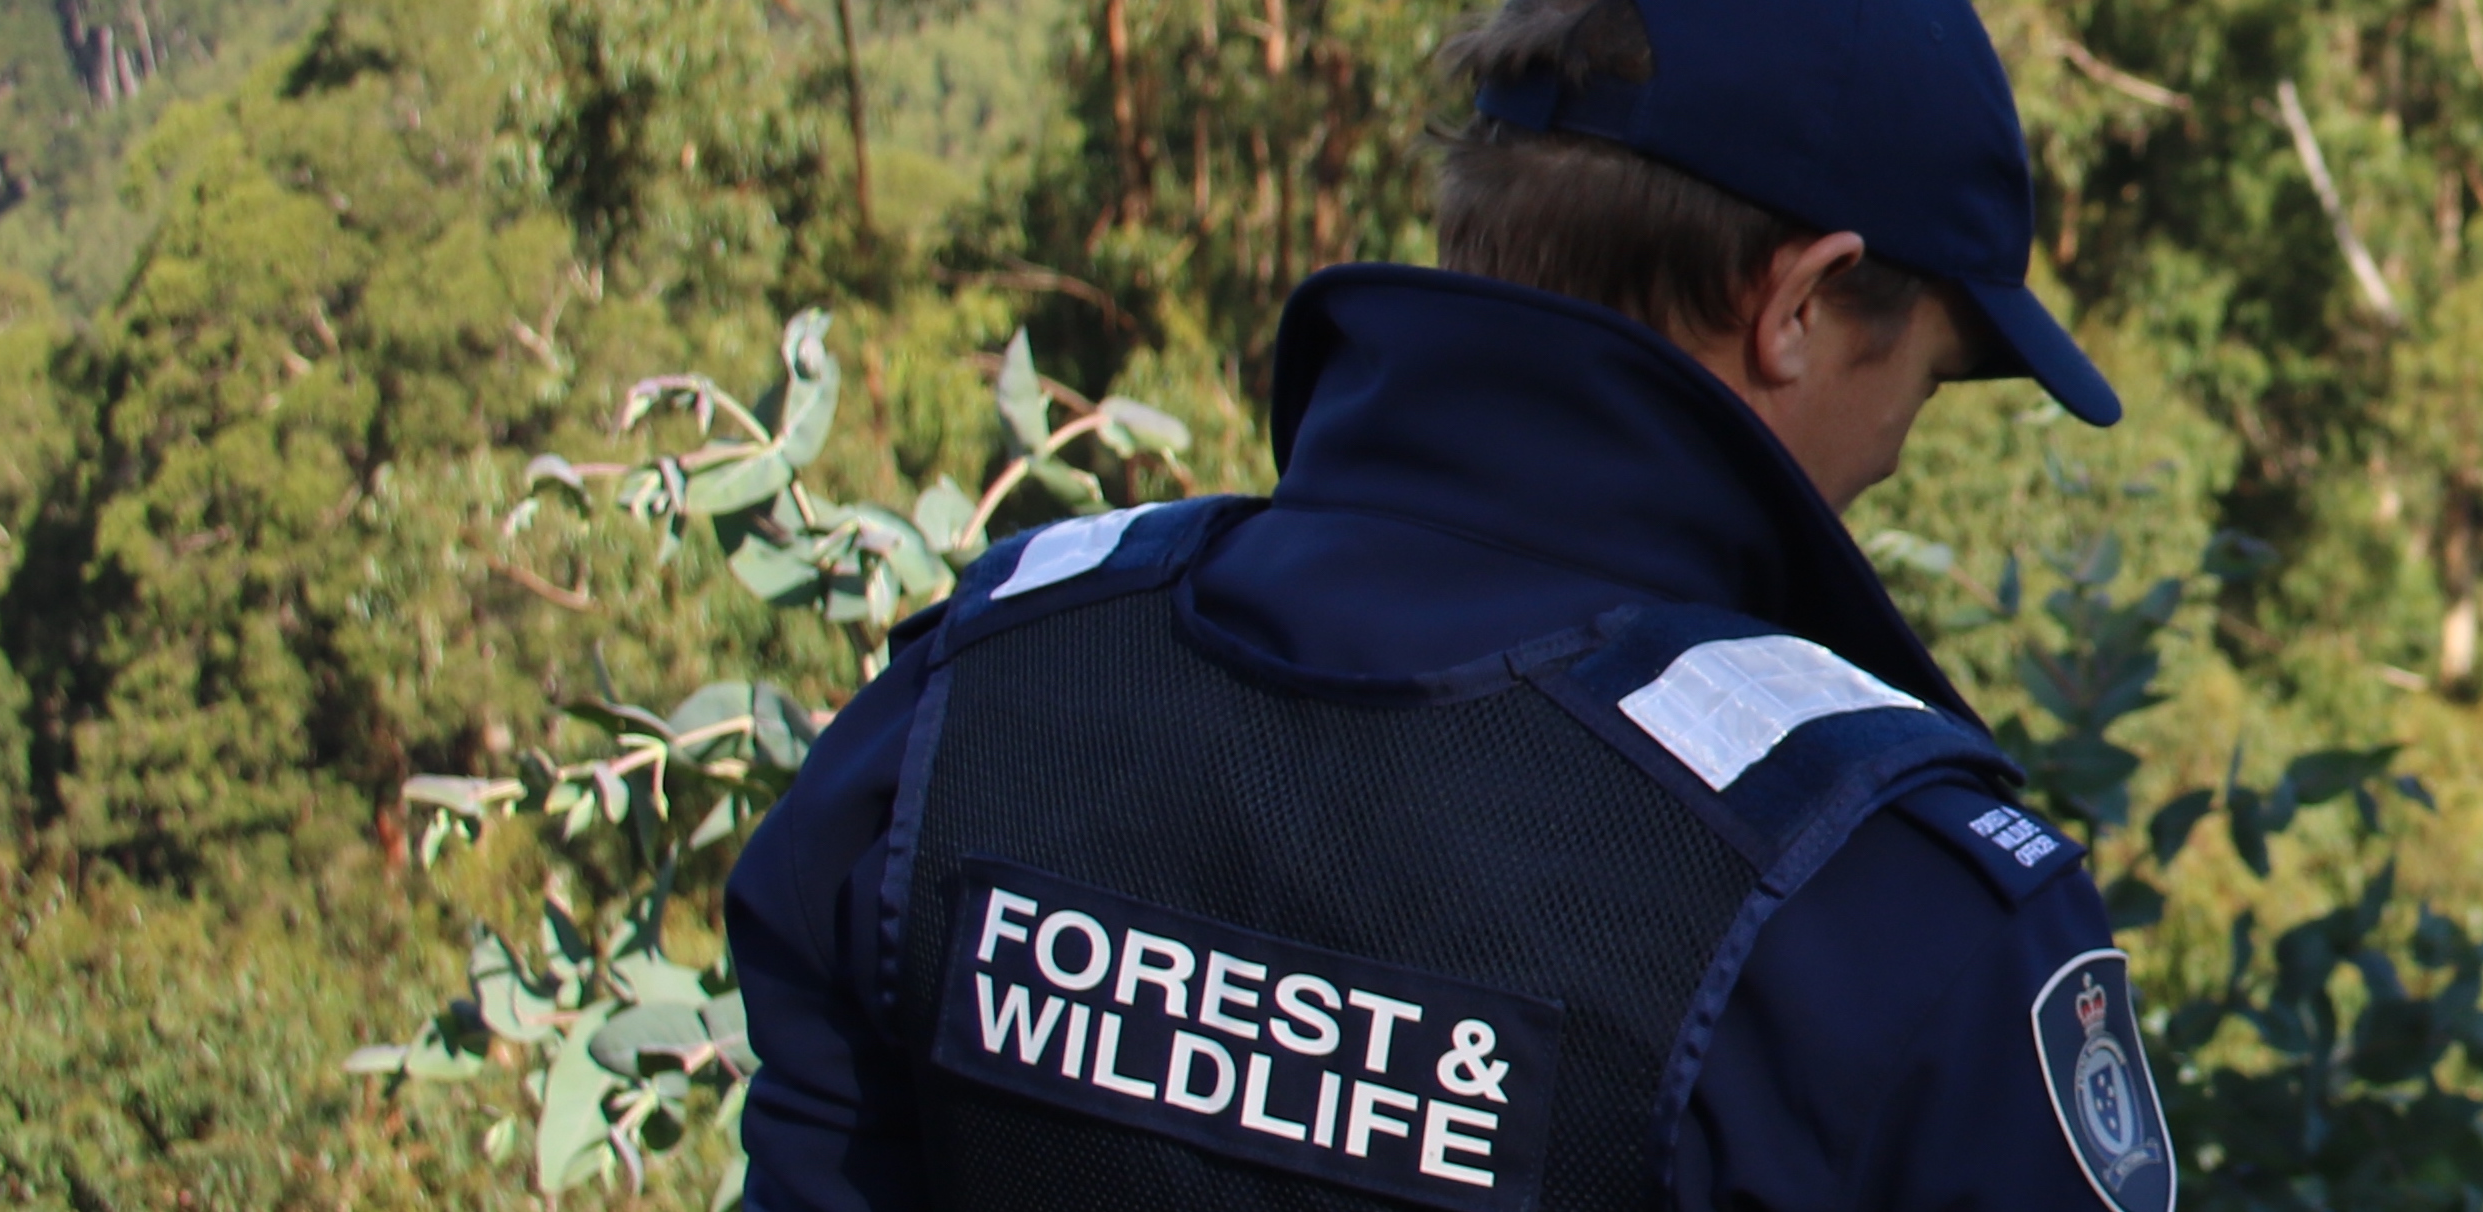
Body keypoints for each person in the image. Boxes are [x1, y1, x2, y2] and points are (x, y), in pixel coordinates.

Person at [719, 0, 2176, 1206]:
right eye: (1920, 376)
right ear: (1799, 303)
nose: (1897, 449)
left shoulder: (980, 690)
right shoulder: (1896, 915)